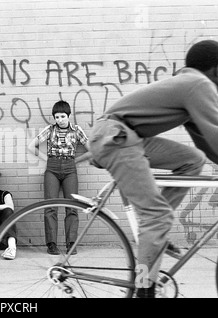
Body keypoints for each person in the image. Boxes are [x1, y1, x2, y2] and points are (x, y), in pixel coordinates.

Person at [88, 39, 218, 298]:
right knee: (156, 216)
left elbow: (206, 143)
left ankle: (154, 232)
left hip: (128, 137)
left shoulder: (187, 84)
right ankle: (144, 287)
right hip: (117, 137)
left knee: (193, 160)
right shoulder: (199, 85)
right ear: (216, 70)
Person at [28, 100, 90, 256]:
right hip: (52, 169)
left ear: (68, 115)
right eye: (56, 117)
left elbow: (91, 150)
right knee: (50, 207)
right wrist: (46, 158)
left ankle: (71, 243)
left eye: (62, 116)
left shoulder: (76, 130)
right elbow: (31, 146)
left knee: (72, 206)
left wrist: (76, 161)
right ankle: (52, 244)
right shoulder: (49, 130)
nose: (59, 120)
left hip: (70, 169)